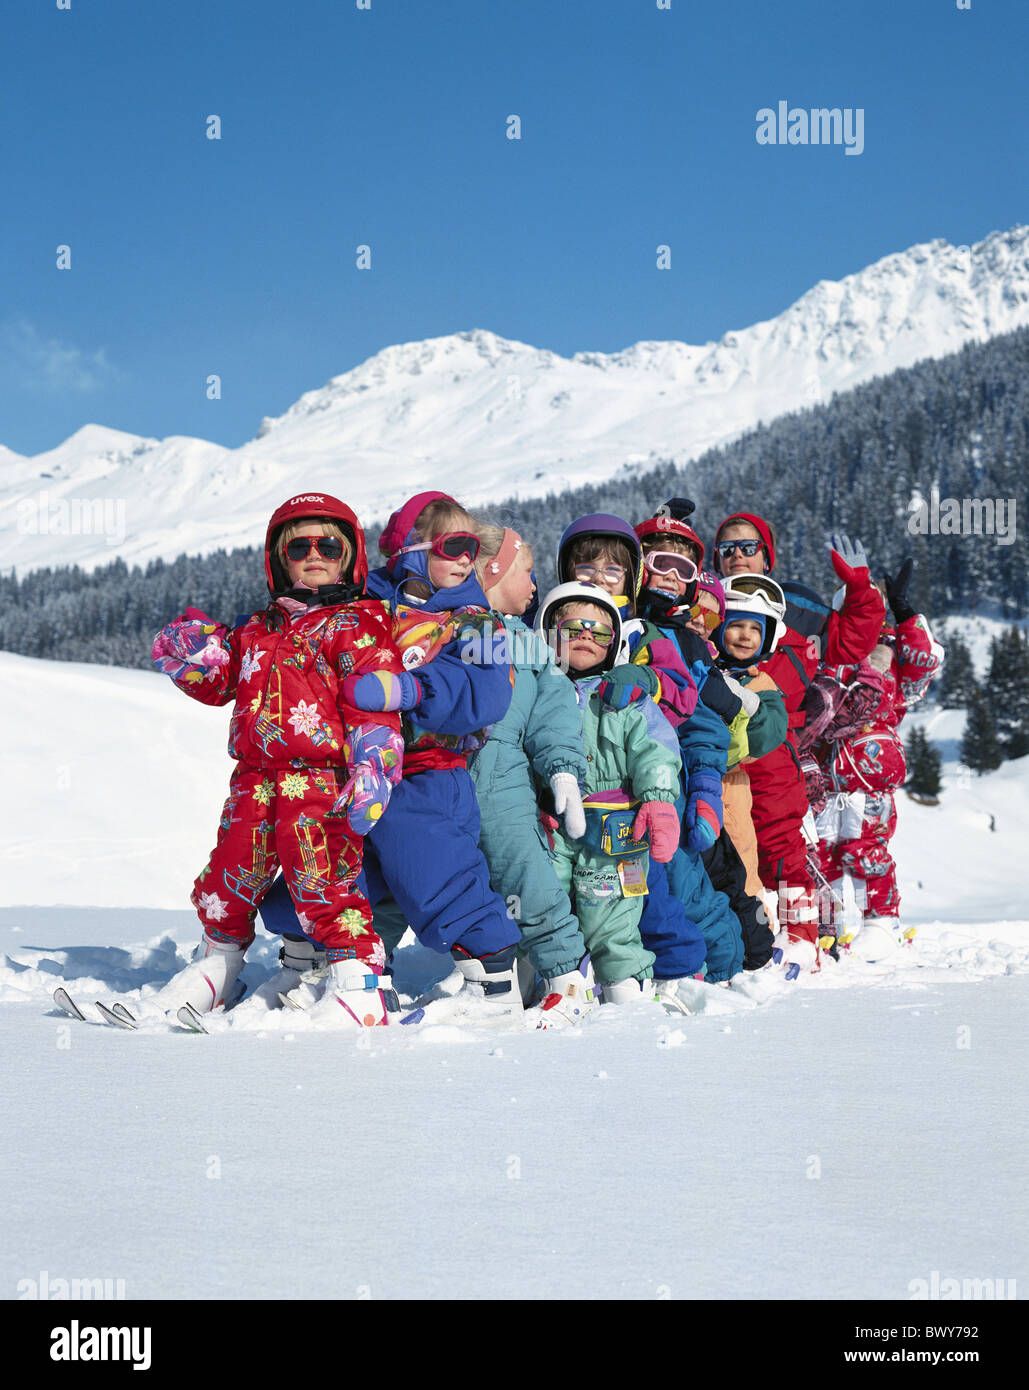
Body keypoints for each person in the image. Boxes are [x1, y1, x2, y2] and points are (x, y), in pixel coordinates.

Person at [260, 491, 524, 1019]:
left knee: (436, 871)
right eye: (453, 545)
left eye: (471, 546)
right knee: (325, 866)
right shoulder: (363, 606)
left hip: (427, 773)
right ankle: (312, 961)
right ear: (409, 550)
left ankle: (493, 979)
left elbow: (489, 693)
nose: (466, 558)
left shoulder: (477, 622)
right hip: (354, 769)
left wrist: (410, 691)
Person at [147, 494, 407, 1025]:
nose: (314, 555)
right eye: (299, 546)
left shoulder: (358, 624)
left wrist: (373, 768)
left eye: (329, 545)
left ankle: (360, 983)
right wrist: (185, 644)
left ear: (350, 556)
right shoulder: (256, 630)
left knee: (326, 883)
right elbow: (215, 680)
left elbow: (374, 703)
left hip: (320, 783)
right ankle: (216, 969)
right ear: (277, 559)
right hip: (253, 782)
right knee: (227, 877)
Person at [710, 512, 885, 974]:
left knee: (782, 844)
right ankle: (750, 935)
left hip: (775, 751)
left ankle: (804, 936)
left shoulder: (799, 608)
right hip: (716, 753)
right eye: (727, 549)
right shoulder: (707, 608)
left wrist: (861, 592)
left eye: (748, 547)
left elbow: (850, 643)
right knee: (726, 848)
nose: (738, 556)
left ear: (768, 555)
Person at [469, 526, 596, 1026]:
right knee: (416, 877)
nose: (534, 583)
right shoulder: (450, 631)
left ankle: (566, 975)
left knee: (525, 875)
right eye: (525, 571)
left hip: (504, 780)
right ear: (492, 573)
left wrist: (564, 771)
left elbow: (555, 712)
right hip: (438, 776)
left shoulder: (531, 645)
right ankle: (369, 970)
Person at [535, 582, 684, 1000]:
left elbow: (656, 749)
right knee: (543, 904)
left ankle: (624, 986)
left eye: (600, 632)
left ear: (614, 643)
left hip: (615, 832)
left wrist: (658, 800)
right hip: (551, 823)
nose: (587, 637)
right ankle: (549, 980)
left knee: (612, 916)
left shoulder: (625, 699)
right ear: (549, 632)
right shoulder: (537, 692)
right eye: (574, 628)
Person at [806, 559, 944, 960]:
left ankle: (881, 921)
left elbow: (923, 662)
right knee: (824, 851)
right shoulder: (832, 650)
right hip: (826, 774)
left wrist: (905, 611)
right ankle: (826, 924)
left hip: (870, 776)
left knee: (866, 850)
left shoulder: (893, 653)